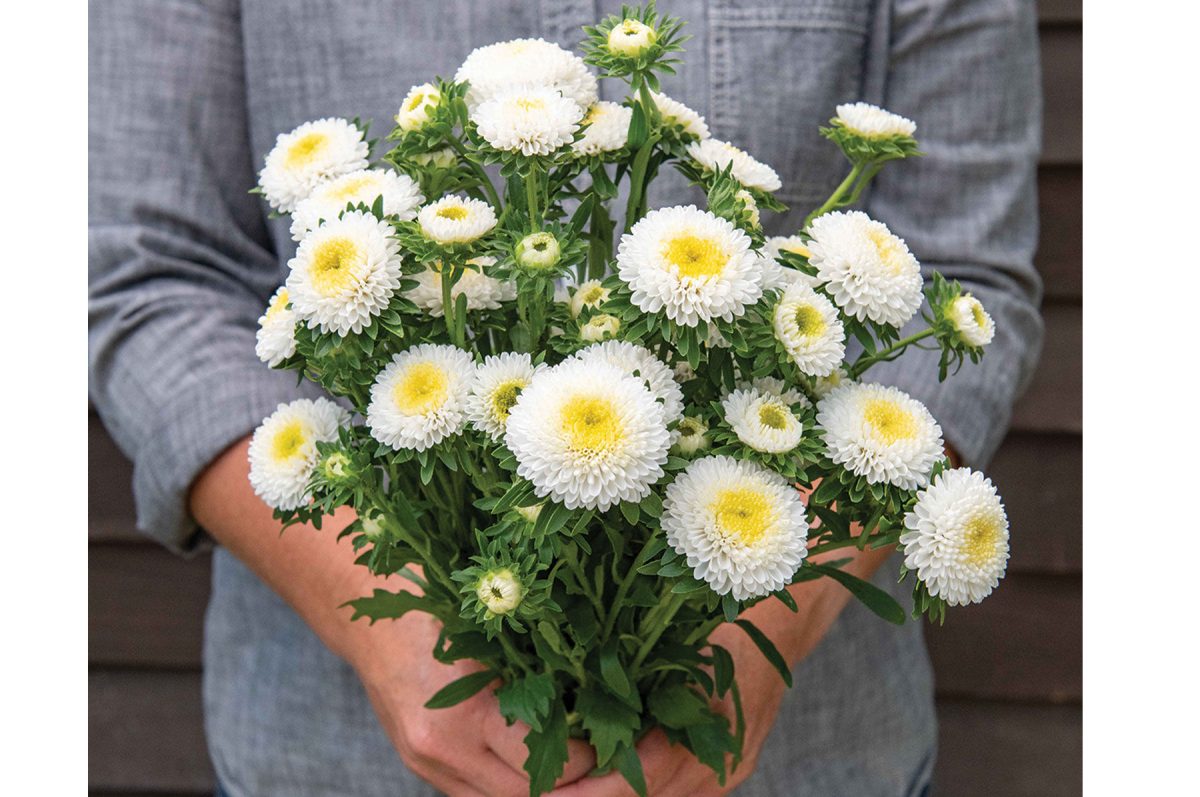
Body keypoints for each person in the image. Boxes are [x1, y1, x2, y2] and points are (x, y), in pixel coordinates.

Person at [88, 1, 1043, 794]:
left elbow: (965, 272)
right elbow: (149, 274)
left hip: (810, 755)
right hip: (336, 756)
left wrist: (771, 591)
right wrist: (383, 611)